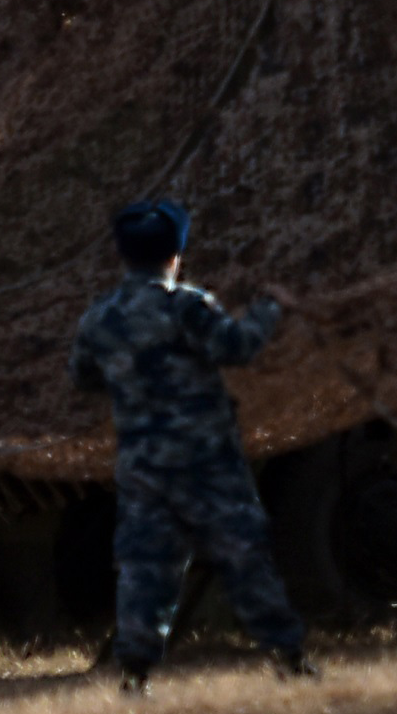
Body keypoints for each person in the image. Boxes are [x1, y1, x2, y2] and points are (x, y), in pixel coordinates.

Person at [67, 198, 311, 689]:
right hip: (206, 461)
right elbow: (236, 347)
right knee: (243, 556)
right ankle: (289, 659)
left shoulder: (99, 319)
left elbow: (83, 376)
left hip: (143, 463)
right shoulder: (187, 306)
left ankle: (134, 673)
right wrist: (270, 307)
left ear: (123, 255)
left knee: (145, 568)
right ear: (174, 255)